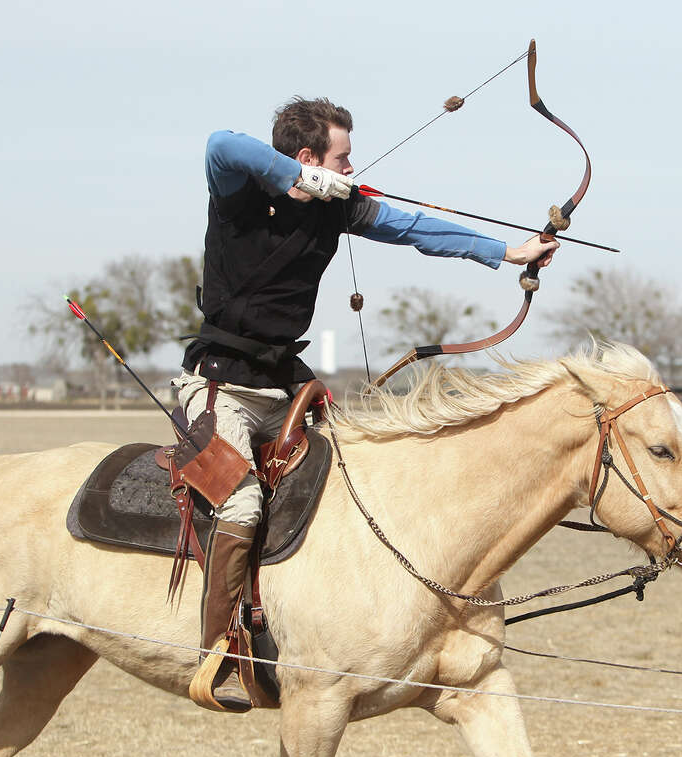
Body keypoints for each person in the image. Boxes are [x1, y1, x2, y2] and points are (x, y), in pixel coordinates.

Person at [174, 96, 557, 711]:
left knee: (358, 478)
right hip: (222, 384)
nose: (351, 169)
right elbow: (221, 141)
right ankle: (220, 651)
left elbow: (415, 229)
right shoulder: (240, 194)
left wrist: (505, 252)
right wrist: (297, 179)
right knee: (243, 503)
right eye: (342, 157)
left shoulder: (340, 209)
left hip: (286, 385)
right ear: (307, 157)